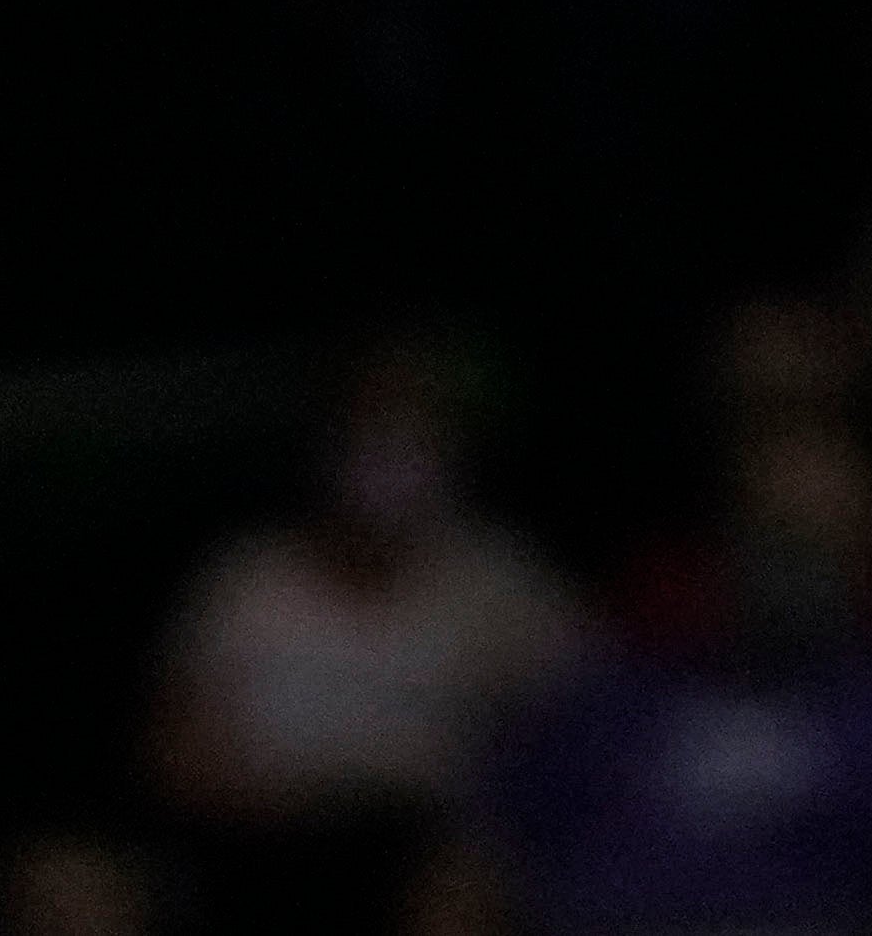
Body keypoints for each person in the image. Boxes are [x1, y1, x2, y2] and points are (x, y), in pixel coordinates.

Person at [450, 427, 872, 936]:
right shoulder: (613, 695)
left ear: (870, 551)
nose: (795, 571)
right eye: (776, 535)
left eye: (822, 545)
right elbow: (486, 847)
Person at [152, 342, 586, 936]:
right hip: (268, 853)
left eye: (410, 429)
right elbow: (175, 751)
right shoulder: (247, 581)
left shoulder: (504, 584)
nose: (389, 455)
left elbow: (581, 741)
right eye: (372, 429)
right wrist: (271, 799)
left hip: (438, 853)